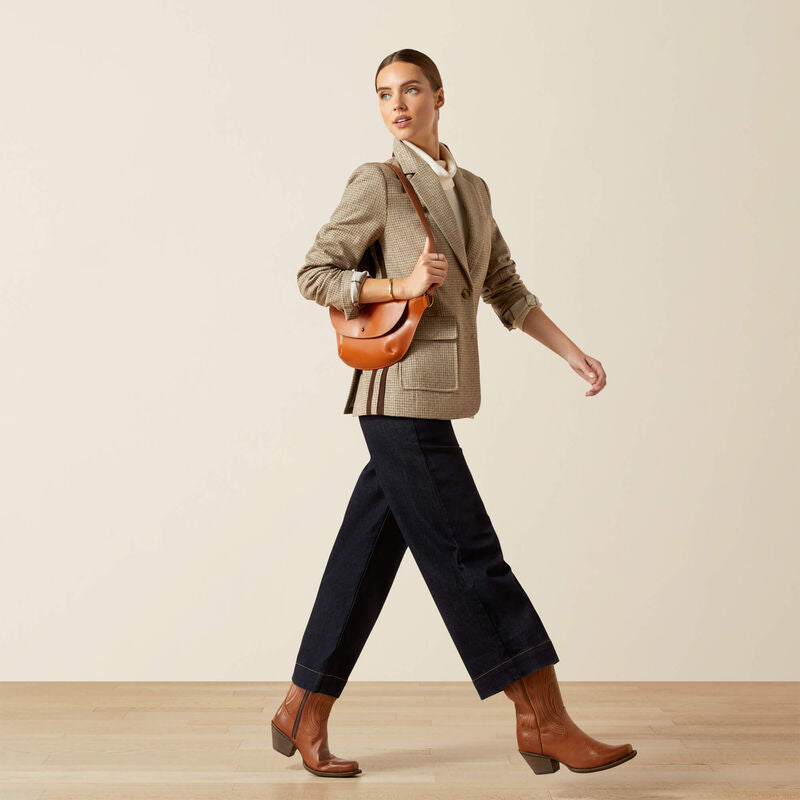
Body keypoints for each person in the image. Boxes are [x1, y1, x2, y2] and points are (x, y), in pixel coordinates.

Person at [271, 49, 636, 779]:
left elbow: (504, 286)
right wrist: (397, 284)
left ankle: (301, 708)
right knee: (470, 552)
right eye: (383, 94)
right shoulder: (376, 182)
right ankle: (541, 718)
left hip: (443, 395)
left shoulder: (472, 190)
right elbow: (314, 272)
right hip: (397, 396)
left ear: (440, 97)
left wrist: (569, 352)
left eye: (410, 90)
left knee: (366, 556)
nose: (397, 104)